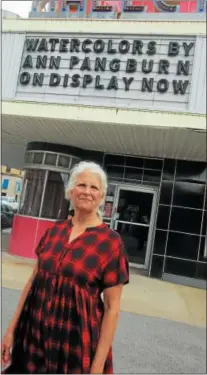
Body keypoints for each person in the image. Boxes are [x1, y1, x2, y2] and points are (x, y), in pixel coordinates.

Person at [1, 161, 129, 374]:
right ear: (70, 191)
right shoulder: (54, 231)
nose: (87, 192)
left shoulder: (111, 243)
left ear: (101, 196)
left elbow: (111, 309)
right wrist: (11, 330)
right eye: (81, 185)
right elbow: (33, 281)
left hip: (74, 345)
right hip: (34, 336)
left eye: (94, 187)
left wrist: (97, 367)